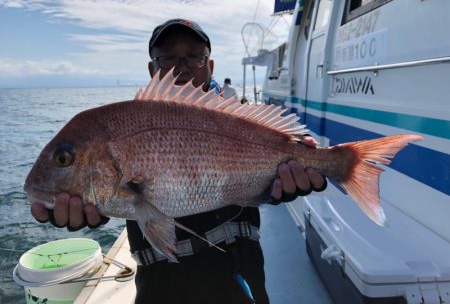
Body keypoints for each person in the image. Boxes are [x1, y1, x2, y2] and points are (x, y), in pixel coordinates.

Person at [31, 18, 326, 304]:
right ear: (152, 70)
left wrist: (282, 184)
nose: (181, 67)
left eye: (194, 57)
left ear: (210, 66)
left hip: (239, 274)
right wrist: (91, 207)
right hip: (162, 285)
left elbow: (256, 181)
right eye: (167, 58)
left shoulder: (240, 118)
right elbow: (121, 195)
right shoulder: (125, 124)